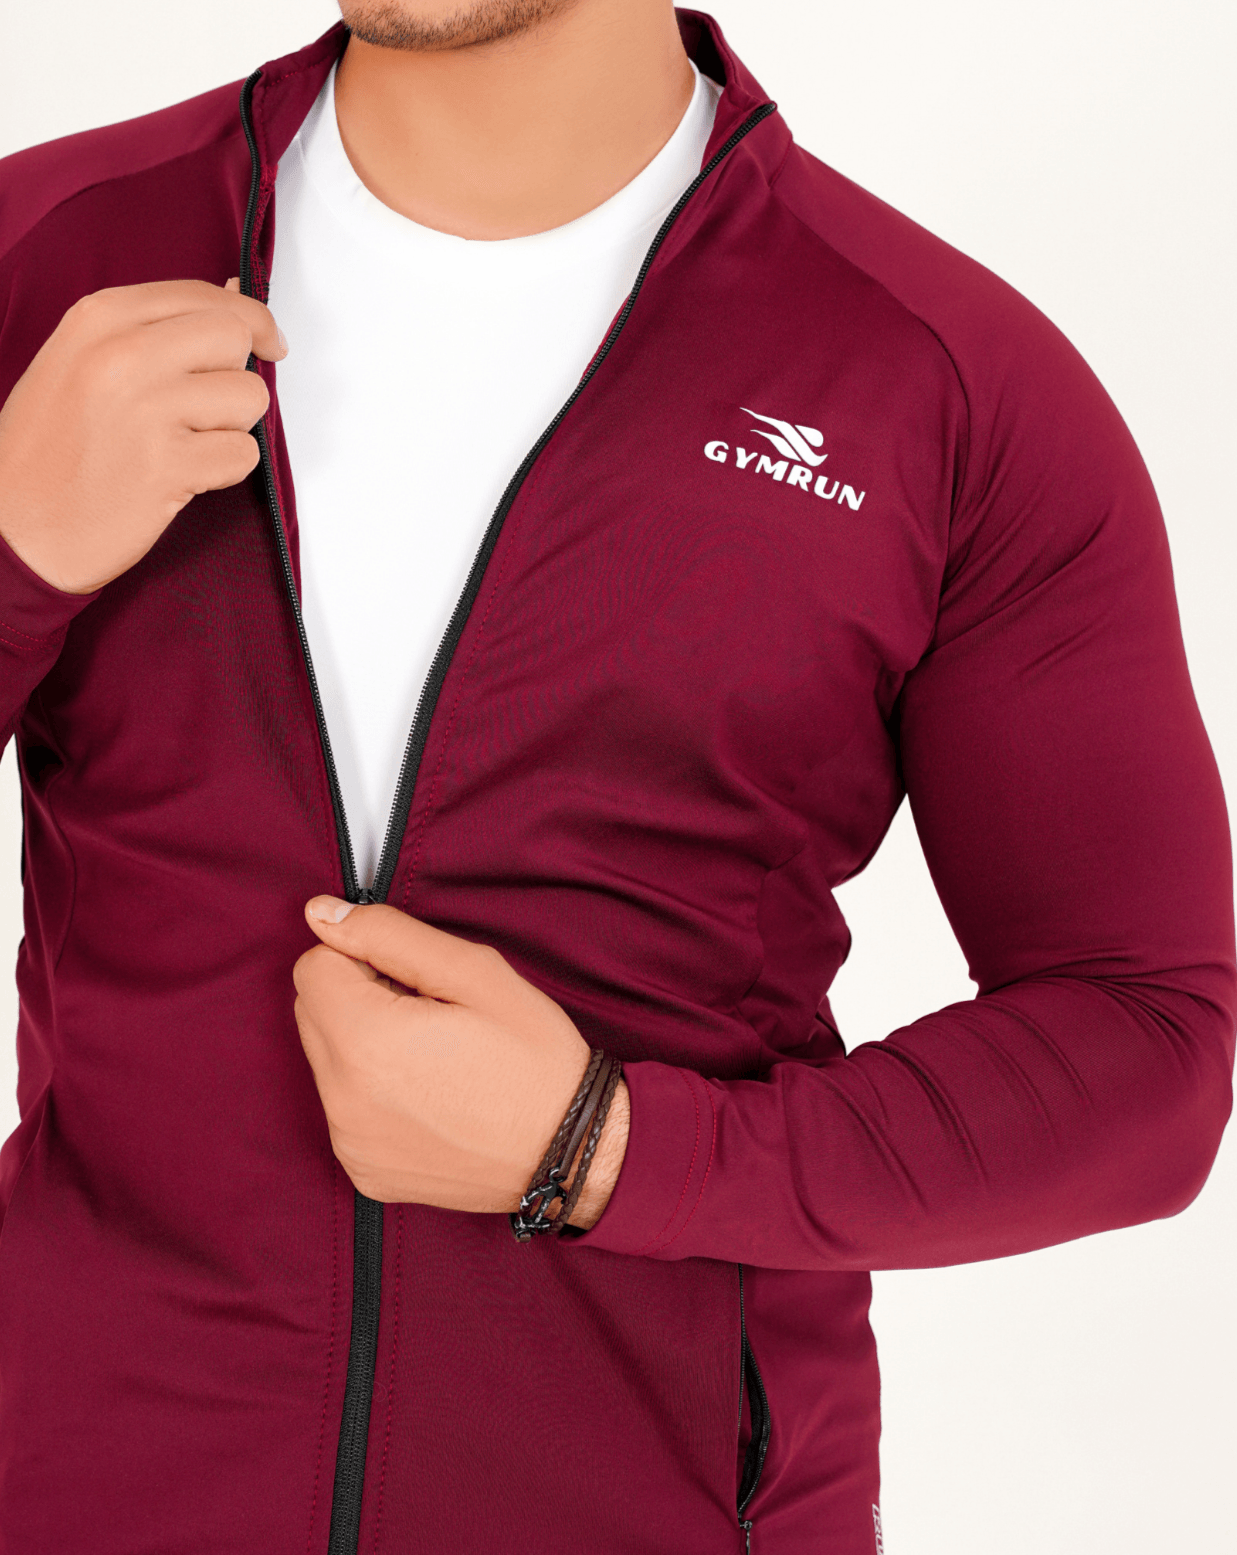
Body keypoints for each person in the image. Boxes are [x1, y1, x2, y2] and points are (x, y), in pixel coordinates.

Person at [0, 2, 1231, 1551]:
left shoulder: (942, 381)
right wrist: (13, 548)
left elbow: (1147, 1051)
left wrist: (609, 1151)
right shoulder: (46, 257)